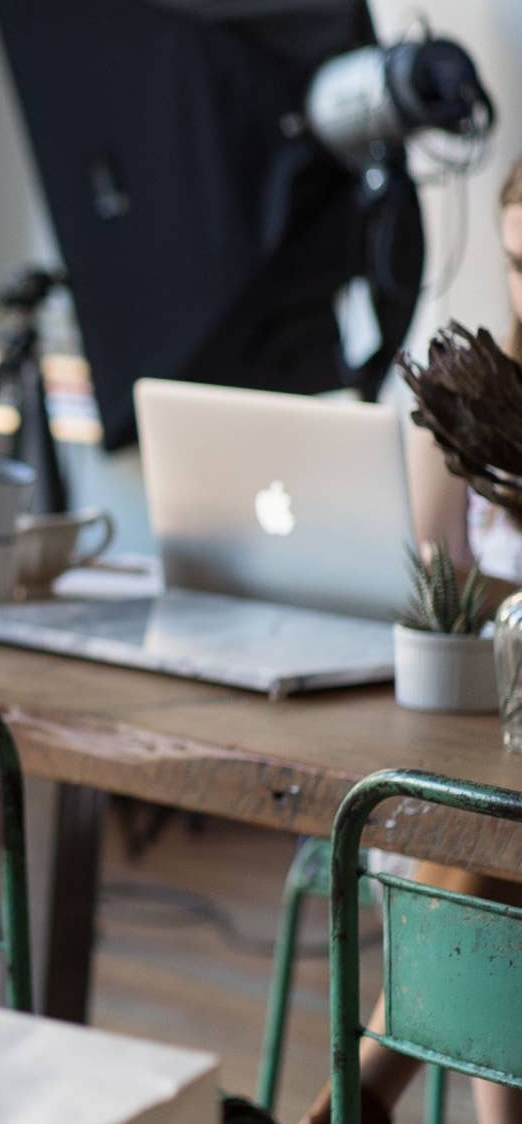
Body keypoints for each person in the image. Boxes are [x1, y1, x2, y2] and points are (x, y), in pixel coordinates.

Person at [301, 157, 522, 1124]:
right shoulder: (491, 394)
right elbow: (437, 571)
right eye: (517, 263)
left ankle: (352, 1100)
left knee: (484, 836)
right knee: (477, 828)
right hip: (488, 725)